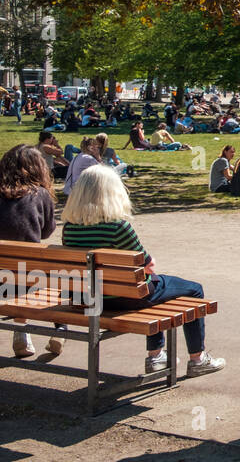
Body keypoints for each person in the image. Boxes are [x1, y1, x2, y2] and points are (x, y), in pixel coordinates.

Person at [62, 165, 225, 376]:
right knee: (193, 289)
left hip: (89, 299)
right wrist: (151, 263)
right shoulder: (118, 228)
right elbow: (147, 265)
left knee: (151, 285)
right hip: (126, 298)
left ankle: (157, 356)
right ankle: (196, 359)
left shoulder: (69, 229)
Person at [0, 145, 59, 357]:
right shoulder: (40, 194)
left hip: (3, 278)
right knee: (59, 281)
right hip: (30, 277)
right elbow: (46, 232)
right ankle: (59, 329)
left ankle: (22, 332)